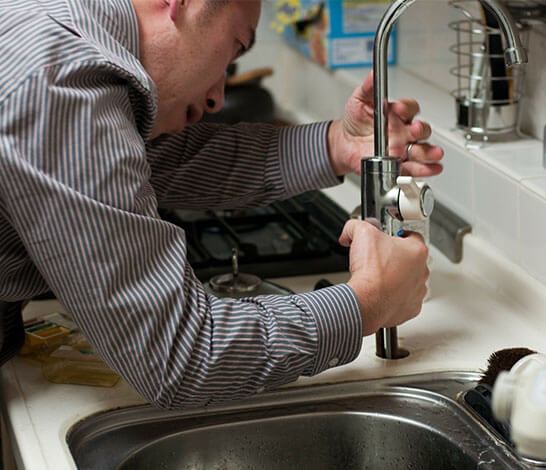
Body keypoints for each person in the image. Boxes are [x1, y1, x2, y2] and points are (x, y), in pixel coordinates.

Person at [0, 0, 444, 408]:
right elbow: (180, 356)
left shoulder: (62, 29)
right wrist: (367, 302)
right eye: (234, 47)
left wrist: (337, 145)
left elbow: (164, 160)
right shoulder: (62, 80)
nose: (216, 96)